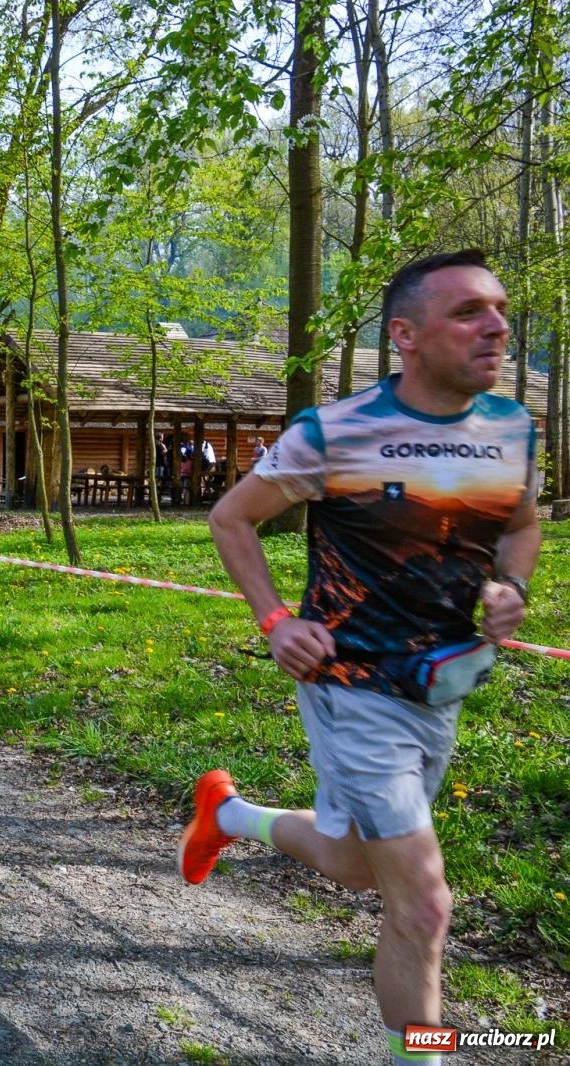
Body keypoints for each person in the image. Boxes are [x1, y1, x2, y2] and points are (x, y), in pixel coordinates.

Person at [192, 250, 539, 1065]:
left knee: (355, 867)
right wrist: (276, 619)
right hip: (351, 685)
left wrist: (510, 586)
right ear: (406, 335)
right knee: (422, 904)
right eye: (468, 312)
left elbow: (522, 523)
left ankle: (228, 815)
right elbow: (231, 519)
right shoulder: (333, 433)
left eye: (497, 309)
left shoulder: (512, 429)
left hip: (442, 686)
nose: (494, 325)